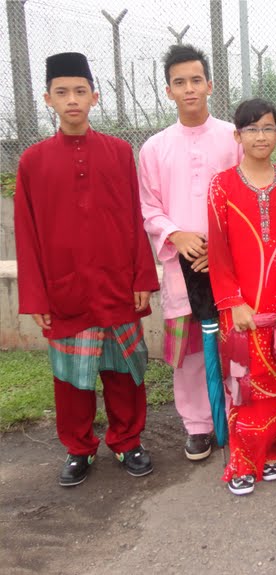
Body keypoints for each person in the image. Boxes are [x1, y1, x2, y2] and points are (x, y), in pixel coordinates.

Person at [14, 52, 159, 486]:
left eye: (80, 91)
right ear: (48, 99)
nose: (72, 99)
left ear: (95, 96)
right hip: (66, 288)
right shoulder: (33, 161)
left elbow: (135, 217)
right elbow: (26, 233)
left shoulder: (119, 152)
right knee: (71, 380)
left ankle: (127, 440)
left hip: (117, 283)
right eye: (62, 92)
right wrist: (37, 297)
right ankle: (79, 448)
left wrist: (142, 276)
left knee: (124, 371)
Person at [139, 44, 240, 461]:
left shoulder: (232, 138)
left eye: (196, 80)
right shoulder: (154, 148)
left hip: (230, 261)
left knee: (234, 341)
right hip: (181, 266)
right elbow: (149, 207)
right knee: (192, 352)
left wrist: (220, 246)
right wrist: (176, 235)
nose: (189, 89)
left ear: (210, 85)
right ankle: (198, 425)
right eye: (180, 82)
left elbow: (243, 194)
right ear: (168, 91)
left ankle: (236, 416)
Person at [207, 98, 276, 496]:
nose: (260, 136)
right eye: (251, 129)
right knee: (244, 386)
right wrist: (234, 302)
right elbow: (218, 250)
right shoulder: (222, 185)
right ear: (237, 136)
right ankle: (243, 460)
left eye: (267, 128)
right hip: (241, 309)